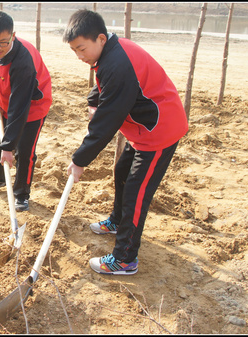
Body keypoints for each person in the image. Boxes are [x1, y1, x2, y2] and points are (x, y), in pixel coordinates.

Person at [62, 9, 189, 275]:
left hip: (158, 131)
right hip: (142, 131)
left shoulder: (118, 63)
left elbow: (107, 121)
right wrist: (93, 101)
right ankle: (118, 222)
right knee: (122, 171)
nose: (80, 56)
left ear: (99, 38)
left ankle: (124, 259)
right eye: (75, 50)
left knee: (136, 193)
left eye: (82, 49)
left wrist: (80, 159)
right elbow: (104, 84)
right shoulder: (110, 52)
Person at [0, 11, 52, 212]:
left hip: (32, 106)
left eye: (3, 42)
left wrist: (9, 147)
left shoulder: (23, 61)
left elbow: (20, 106)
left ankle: (21, 193)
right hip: (6, 101)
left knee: (24, 152)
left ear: (13, 35)